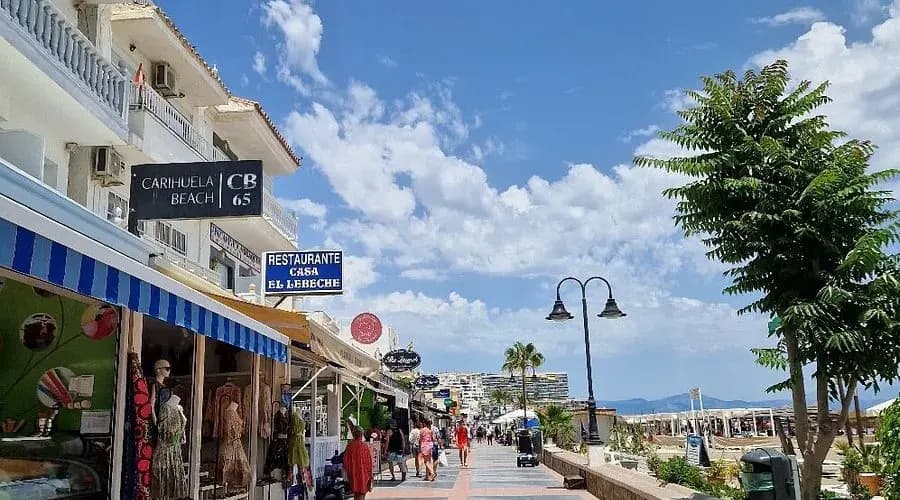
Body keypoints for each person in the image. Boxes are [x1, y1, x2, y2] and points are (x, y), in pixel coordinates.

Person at [342, 426, 373, 500]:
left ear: (353, 434)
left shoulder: (350, 446)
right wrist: (370, 475)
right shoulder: (364, 446)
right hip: (363, 473)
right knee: (362, 493)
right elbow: (369, 462)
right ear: (361, 434)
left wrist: (348, 472)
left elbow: (345, 461)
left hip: (353, 473)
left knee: (356, 494)